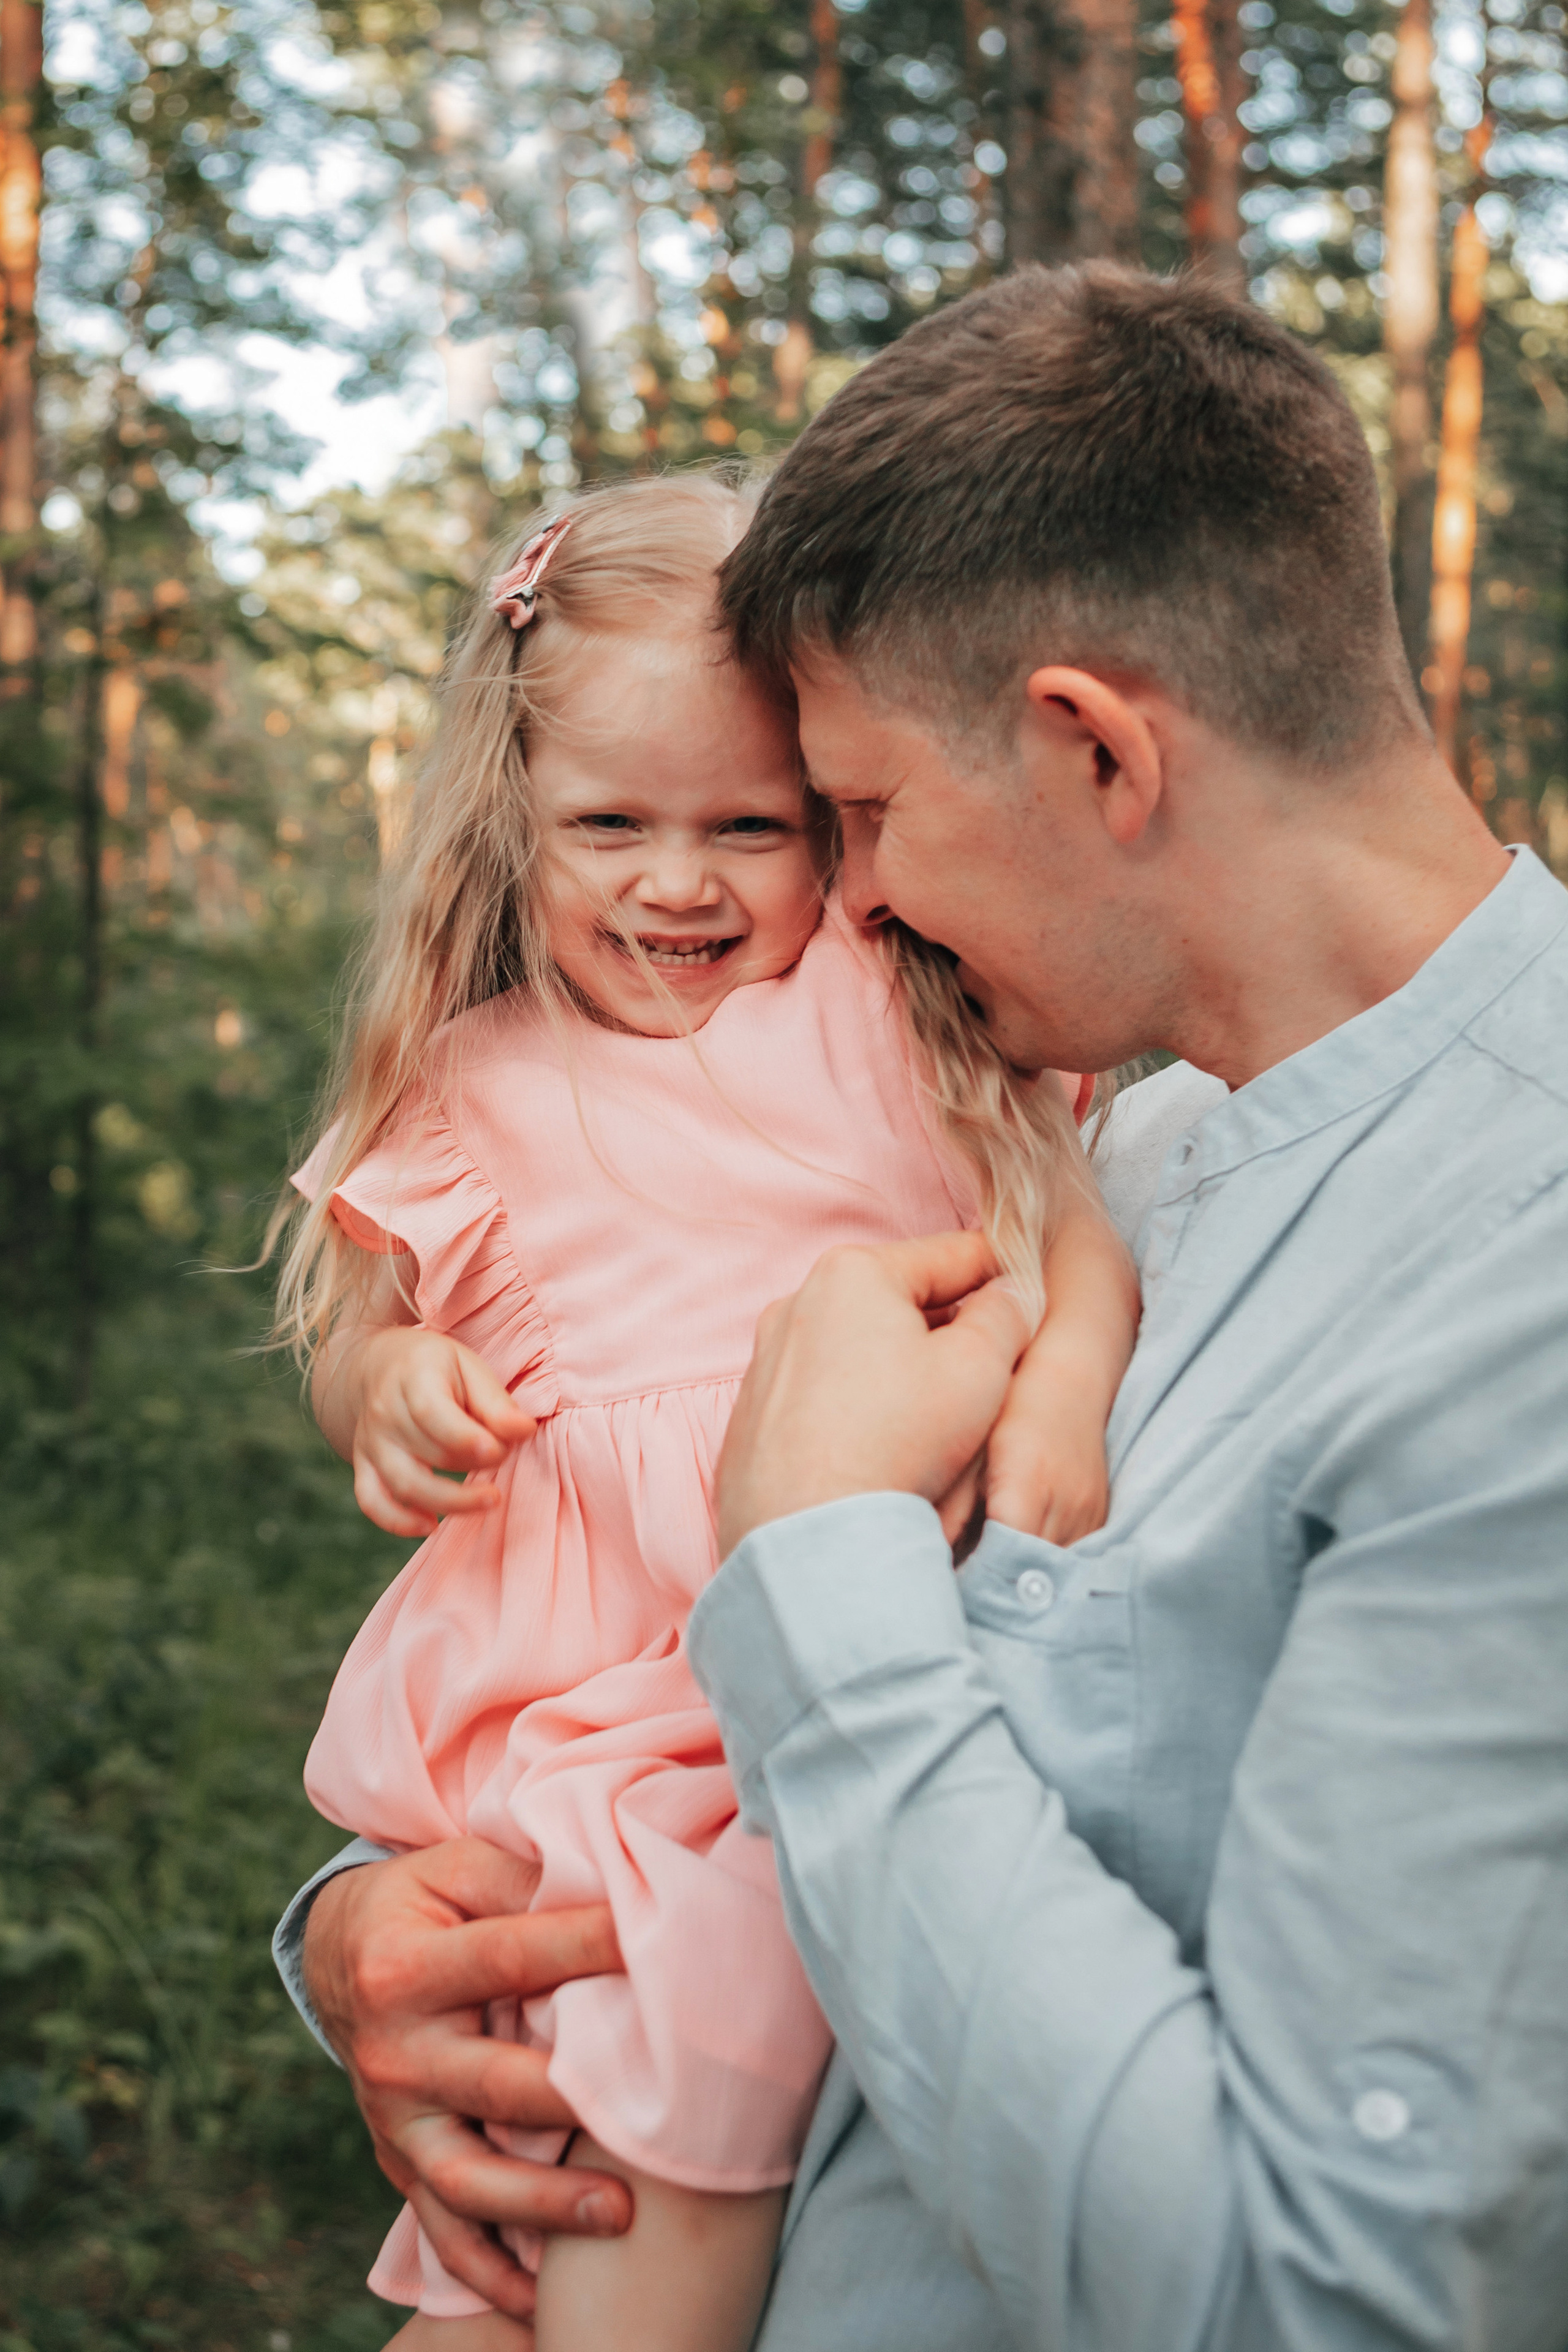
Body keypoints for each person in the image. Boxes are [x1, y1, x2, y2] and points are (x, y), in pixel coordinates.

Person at [279, 262, 1568, 2351]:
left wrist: (814, 1573)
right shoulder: (1113, 1168)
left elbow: (1342, 2301)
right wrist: (371, 1937)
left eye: (853, 817)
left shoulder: (1522, 1295)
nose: (841, 913)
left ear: (1094, 753)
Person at [273, 470, 1139, 2351]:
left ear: (832, 816)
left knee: (651, 2115)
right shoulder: (471, 1081)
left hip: (769, 1697)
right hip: (560, 1733)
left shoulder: (878, 1009)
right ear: (516, 813)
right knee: (498, 2243)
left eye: (748, 824)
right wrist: (391, 1388)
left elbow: (1074, 1242)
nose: (680, 882)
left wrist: (1061, 1396)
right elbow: (366, 1319)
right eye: (612, 824)